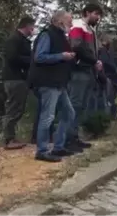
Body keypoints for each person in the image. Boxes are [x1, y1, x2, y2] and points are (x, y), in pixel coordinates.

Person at [28, 10, 76, 162]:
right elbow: (39, 57)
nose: (72, 23)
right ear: (59, 21)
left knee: (69, 113)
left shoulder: (62, 37)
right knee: (47, 116)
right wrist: (62, 56)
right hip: (47, 82)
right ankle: (42, 150)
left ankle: (58, 147)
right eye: (69, 20)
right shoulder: (46, 35)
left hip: (59, 83)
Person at [67, 3, 103, 151]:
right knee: (75, 104)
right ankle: (69, 137)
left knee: (81, 105)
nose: (98, 17)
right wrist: (94, 60)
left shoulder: (90, 29)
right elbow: (77, 46)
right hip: (79, 69)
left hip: (88, 70)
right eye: (96, 14)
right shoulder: (78, 25)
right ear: (87, 13)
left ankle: (75, 136)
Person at [1, 16, 35, 150]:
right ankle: (8, 139)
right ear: (26, 26)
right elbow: (12, 57)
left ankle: (11, 137)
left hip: (20, 78)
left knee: (18, 109)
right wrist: (31, 61)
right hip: (14, 78)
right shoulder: (14, 39)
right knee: (13, 108)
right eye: (32, 26)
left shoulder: (23, 40)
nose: (33, 29)